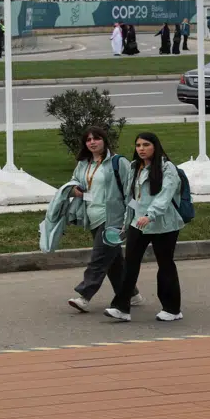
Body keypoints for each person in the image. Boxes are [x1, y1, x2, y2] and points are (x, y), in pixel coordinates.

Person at [106, 132, 186, 323]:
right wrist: (127, 224)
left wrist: (150, 215)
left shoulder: (167, 168)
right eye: (138, 145)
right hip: (137, 224)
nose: (141, 149)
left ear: (155, 146)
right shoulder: (135, 167)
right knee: (130, 264)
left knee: (165, 264)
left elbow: (165, 196)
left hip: (164, 224)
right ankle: (121, 308)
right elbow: (131, 199)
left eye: (146, 145)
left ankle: (172, 309)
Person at [65, 128, 141, 313]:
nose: (92, 142)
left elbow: (130, 189)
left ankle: (84, 296)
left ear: (104, 141)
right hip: (92, 216)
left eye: (96, 138)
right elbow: (74, 181)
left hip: (113, 218)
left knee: (99, 258)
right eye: (88, 139)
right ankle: (132, 294)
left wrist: (130, 217)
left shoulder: (118, 162)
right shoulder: (84, 164)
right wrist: (74, 189)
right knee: (113, 260)